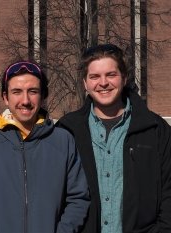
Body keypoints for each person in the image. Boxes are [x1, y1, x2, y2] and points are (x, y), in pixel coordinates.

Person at [56, 43, 171, 232]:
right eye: (94, 76)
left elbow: (168, 192)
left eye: (111, 74)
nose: (103, 83)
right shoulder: (68, 130)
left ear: (124, 78)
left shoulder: (156, 129)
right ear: (85, 83)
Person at [0, 61, 90, 233]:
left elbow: (78, 198)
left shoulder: (62, 140)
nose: (25, 100)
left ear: (42, 96)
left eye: (33, 92)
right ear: (5, 97)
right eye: (17, 92)